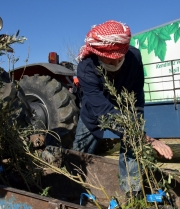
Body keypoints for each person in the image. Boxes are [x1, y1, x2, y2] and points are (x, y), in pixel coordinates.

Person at [73, 20, 173, 194]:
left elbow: (137, 95)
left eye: (120, 56)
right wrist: (147, 138)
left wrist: (136, 131)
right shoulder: (86, 68)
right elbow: (103, 111)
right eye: (111, 59)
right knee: (78, 156)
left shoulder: (134, 58)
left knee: (133, 148)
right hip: (94, 113)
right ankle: (73, 188)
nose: (117, 61)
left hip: (127, 110)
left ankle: (131, 193)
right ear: (98, 53)